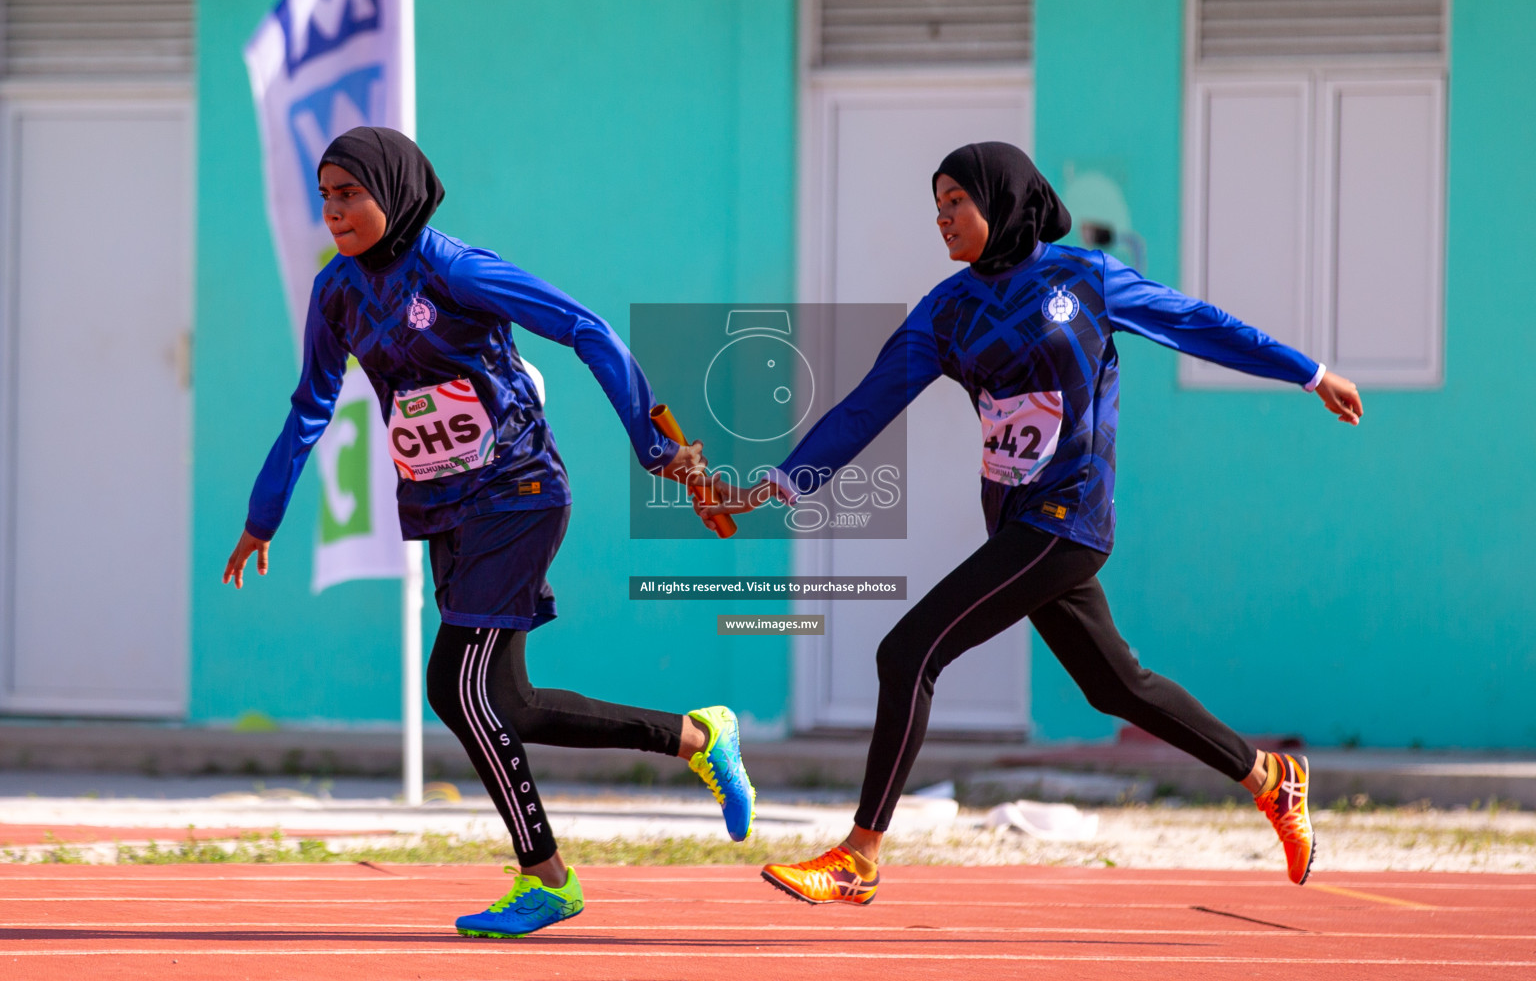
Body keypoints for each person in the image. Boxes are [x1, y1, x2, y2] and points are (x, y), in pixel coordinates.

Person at [696, 141, 1362, 904]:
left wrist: (1307, 373)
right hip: (1015, 520)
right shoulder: (946, 312)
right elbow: (865, 406)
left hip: (1069, 512)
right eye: (936, 205)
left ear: (1001, 201)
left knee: (907, 652)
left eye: (957, 202)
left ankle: (859, 853)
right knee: (1118, 686)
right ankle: (1271, 777)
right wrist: (778, 482)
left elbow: (1199, 324)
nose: (943, 218)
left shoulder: (1085, 278)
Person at [223, 126, 756, 937]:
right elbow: (311, 404)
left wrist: (661, 452)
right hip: (444, 507)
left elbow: (585, 328)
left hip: (520, 490)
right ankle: (698, 736)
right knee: (512, 702)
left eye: (350, 193)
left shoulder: (454, 268)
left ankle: (547, 878)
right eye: (325, 195)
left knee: (455, 686)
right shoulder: (335, 294)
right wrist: (264, 517)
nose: (332, 211)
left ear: (394, 192)